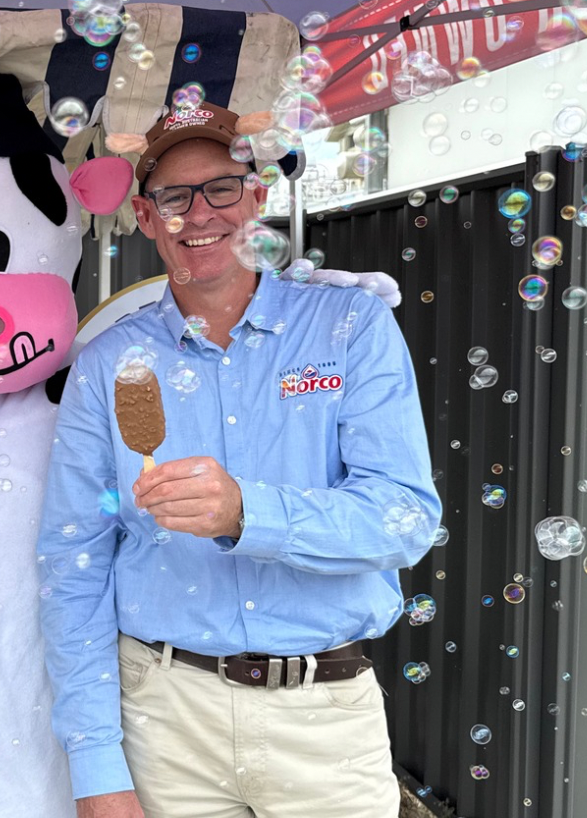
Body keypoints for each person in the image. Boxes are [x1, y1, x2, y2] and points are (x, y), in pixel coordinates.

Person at [37, 102, 441, 818]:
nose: (200, 214)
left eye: (221, 188)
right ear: (145, 214)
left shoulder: (350, 327)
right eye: (174, 196)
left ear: (256, 196)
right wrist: (97, 762)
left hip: (325, 724)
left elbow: (404, 519)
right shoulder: (107, 367)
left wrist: (248, 512)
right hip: (163, 717)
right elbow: (74, 563)